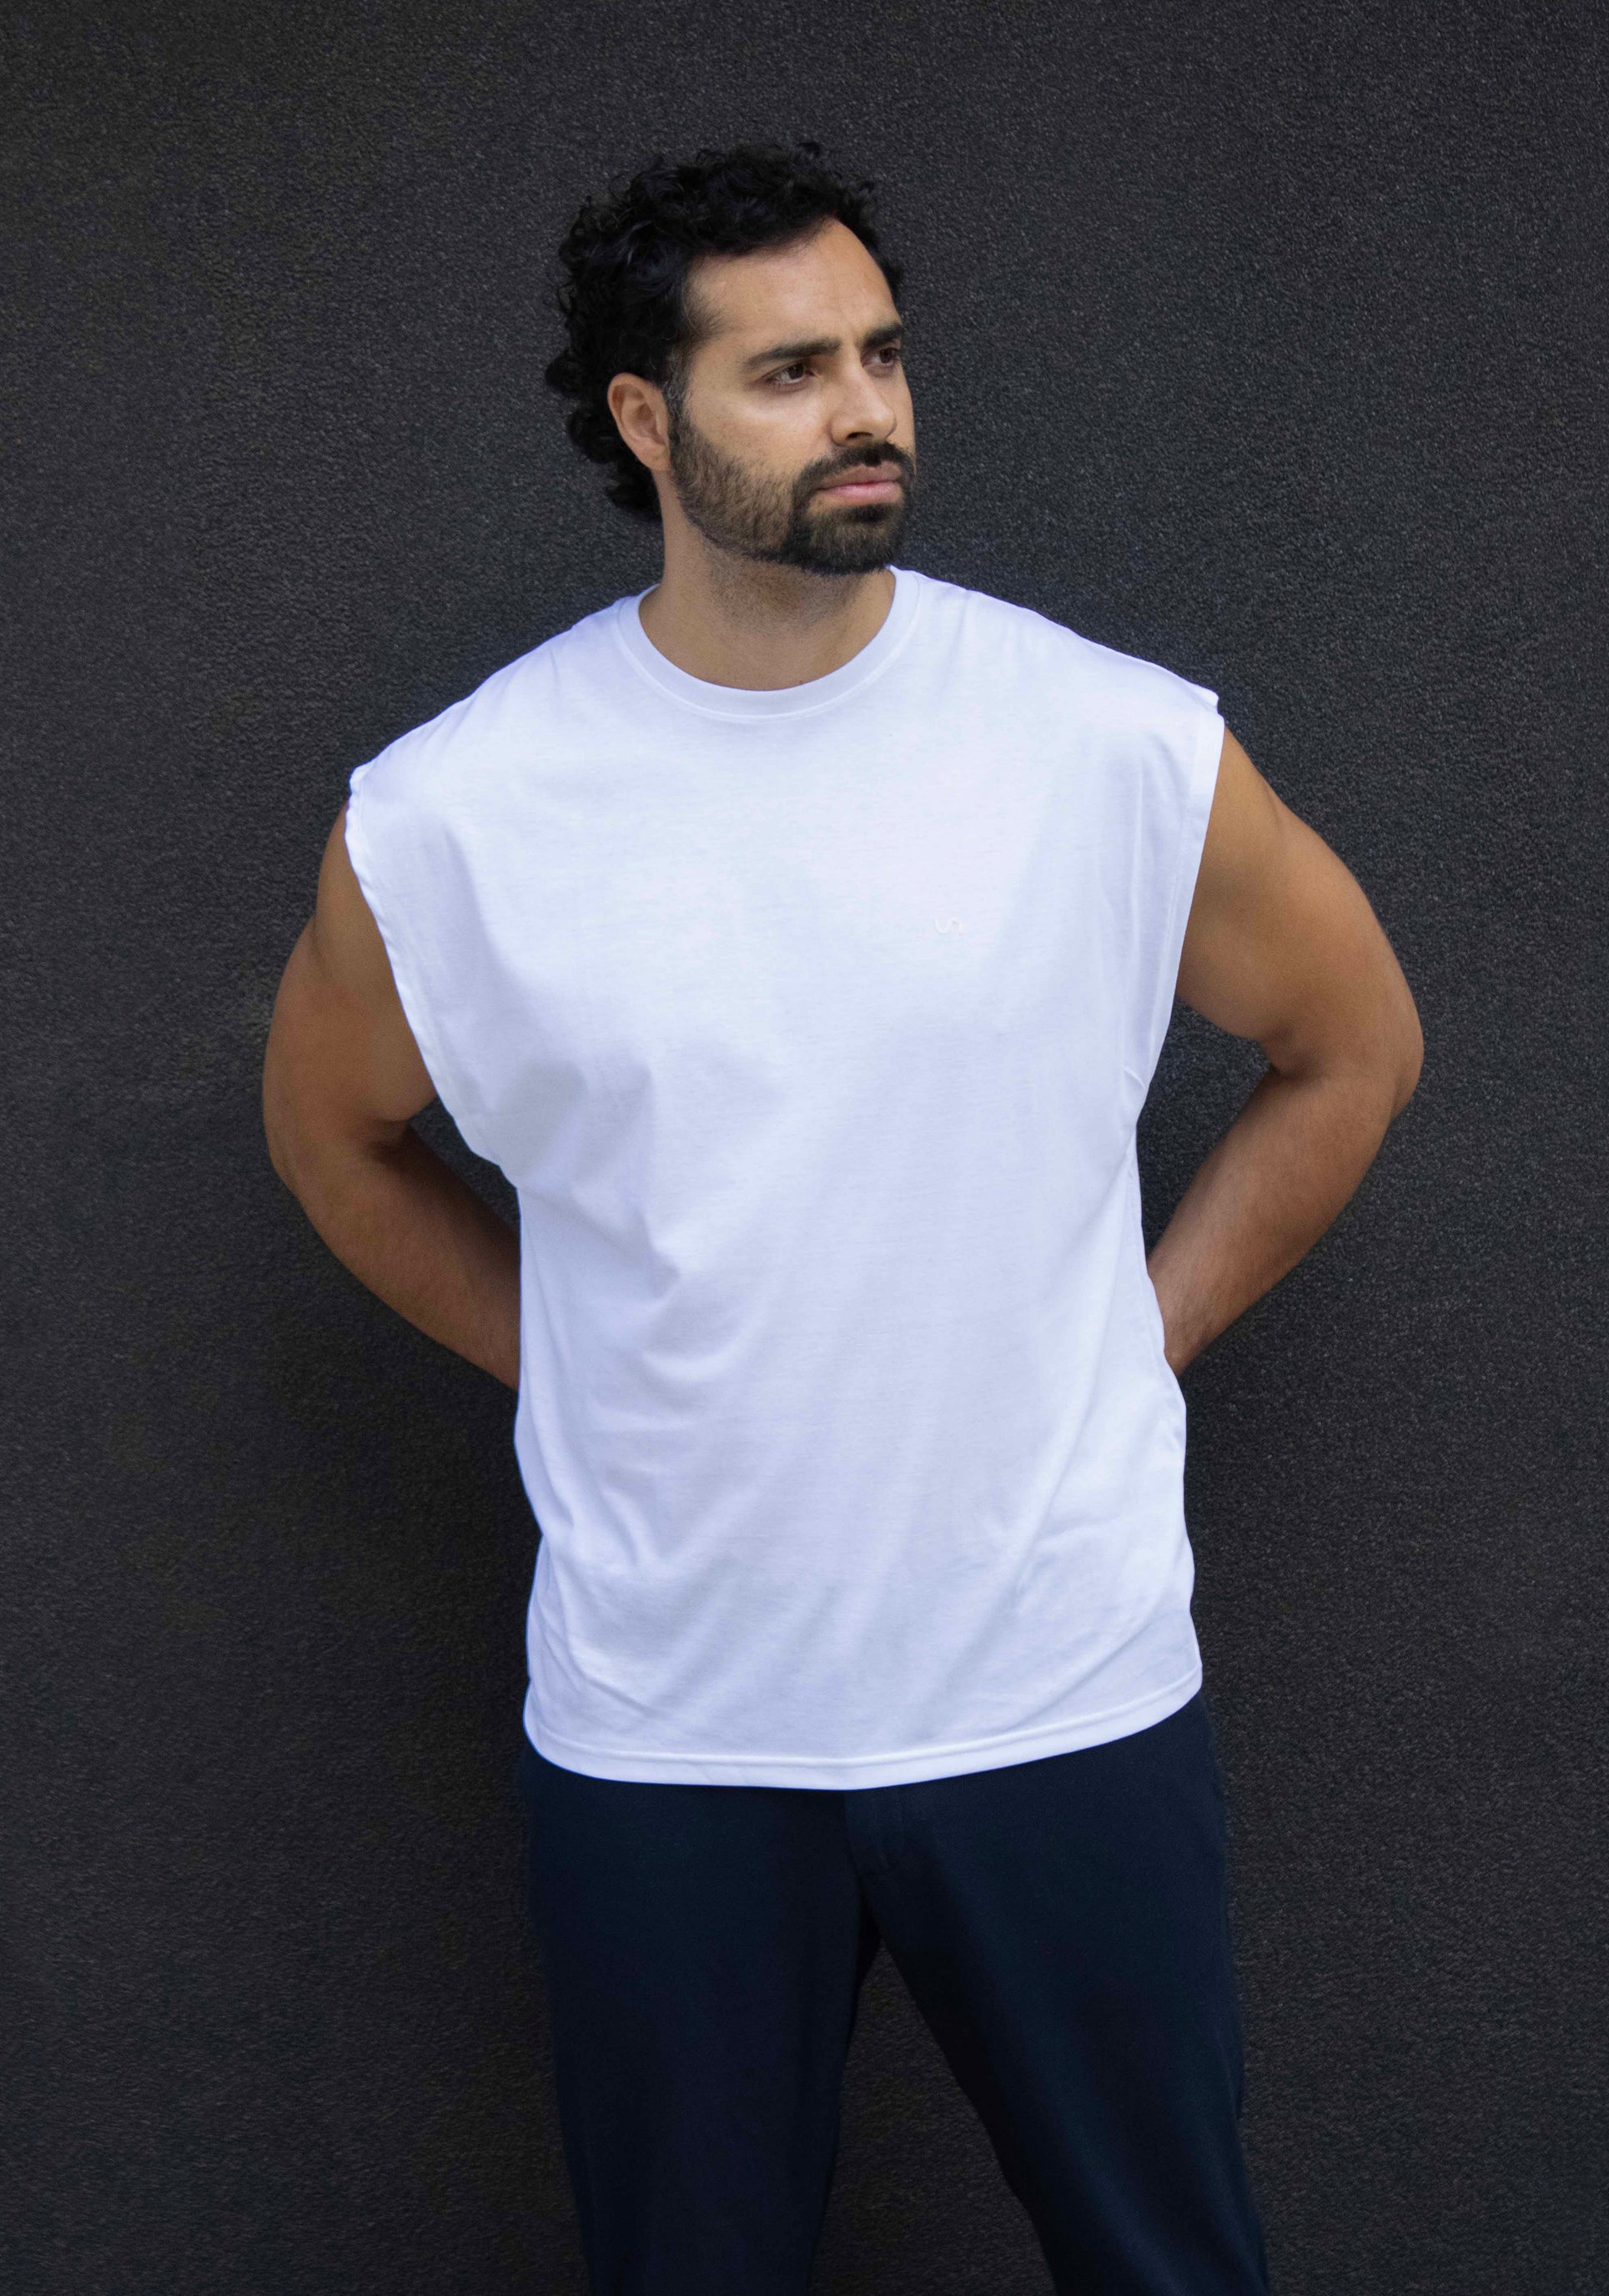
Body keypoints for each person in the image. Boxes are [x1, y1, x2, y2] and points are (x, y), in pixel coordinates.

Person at [262, 140, 1422, 2295]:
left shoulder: (1105, 746)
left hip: (1055, 1694)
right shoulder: (456, 816)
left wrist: (1133, 1334)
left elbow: (1349, 1046)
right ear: (646, 418)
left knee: (1171, 2267)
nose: (866, 408)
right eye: (787, 371)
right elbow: (336, 1141)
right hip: (668, 1729)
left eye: (880, 354)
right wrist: (576, 1365)